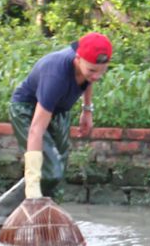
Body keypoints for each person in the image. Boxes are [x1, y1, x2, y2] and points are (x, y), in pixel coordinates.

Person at [9, 31, 112, 201]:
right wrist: (33, 188)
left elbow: (89, 80)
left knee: (58, 171)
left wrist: (87, 109)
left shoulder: (87, 67)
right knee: (51, 171)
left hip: (59, 111)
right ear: (77, 59)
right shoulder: (56, 76)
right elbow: (36, 129)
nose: (97, 76)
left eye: (102, 71)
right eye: (92, 70)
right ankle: (12, 208)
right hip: (27, 110)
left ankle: (48, 213)